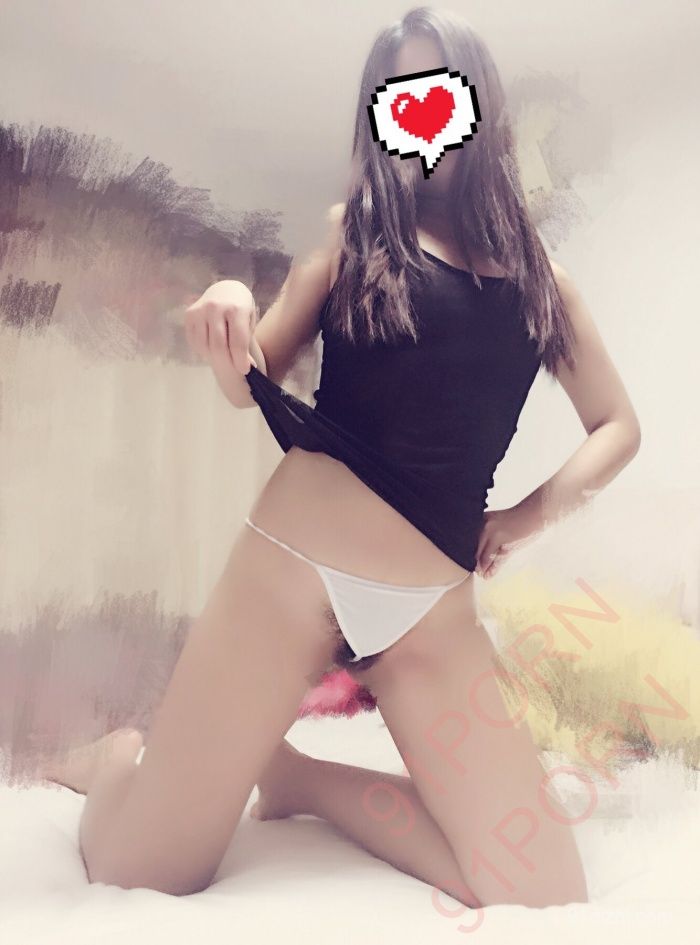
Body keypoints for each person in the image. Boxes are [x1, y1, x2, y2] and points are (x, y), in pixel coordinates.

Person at [44, 6, 640, 909]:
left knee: (540, 890)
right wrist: (230, 302)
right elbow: (253, 374)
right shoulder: (352, 233)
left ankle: (298, 779)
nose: (419, 108)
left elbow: (618, 426)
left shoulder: (542, 285)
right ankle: (120, 759)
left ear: (479, 105)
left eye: (438, 88)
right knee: (142, 871)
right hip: (290, 566)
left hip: (429, 608)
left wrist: (522, 519)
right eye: (396, 94)